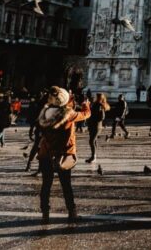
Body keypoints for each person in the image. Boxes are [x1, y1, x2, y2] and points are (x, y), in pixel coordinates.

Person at [37, 86, 91, 222]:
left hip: (45, 154)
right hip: (63, 155)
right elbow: (85, 114)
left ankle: (45, 214)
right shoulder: (69, 114)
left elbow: (58, 107)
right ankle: (72, 213)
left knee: (46, 185)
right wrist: (86, 105)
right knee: (66, 185)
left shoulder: (45, 113)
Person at [85, 93, 109, 163]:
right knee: (94, 140)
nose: (94, 97)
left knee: (91, 141)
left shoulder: (99, 105)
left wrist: (94, 119)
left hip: (96, 125)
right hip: (93, 125)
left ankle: (93, 156)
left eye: (95, 96)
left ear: (98, 97)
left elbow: (102, 116)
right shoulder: (96, 104)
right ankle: (93, 155)